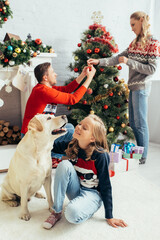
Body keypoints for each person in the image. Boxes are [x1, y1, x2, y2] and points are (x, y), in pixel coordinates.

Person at [87, 11, 160, 164]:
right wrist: (98, 61)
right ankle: (140, 154)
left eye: (133, 25)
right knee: (133, 123)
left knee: (140, 123)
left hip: (142, 87)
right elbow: (117, 58)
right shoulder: (134, 43)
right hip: (133, 87)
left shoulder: (153, 42)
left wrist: (129, 62)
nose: (132, 28)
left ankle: (142, 156)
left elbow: (152, 69)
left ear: (141, 21)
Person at [43, 114, 127, 229]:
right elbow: (50, 146)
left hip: (92, 194)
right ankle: (56, 212)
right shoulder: (72, 144)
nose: (78, 127)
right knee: (64, 165)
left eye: (84, 128)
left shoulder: (100, 155)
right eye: (80, 124)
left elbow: (105, 185)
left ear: (92, 138)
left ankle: (88, 208)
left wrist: (109, 216)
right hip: (76, 188)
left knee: (71, 214)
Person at [21, 62, 96, 167]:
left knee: (69, 127)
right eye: (53, 72)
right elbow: (73, 99)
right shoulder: (43, 91)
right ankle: (54, 156)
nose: (56, 74)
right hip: (32, 138)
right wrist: (89, 78)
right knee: (73, 134)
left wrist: (83, 74)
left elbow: (67, 90)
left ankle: (53, 154)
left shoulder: (44, 88)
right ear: (45, 78)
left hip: (41, 133)